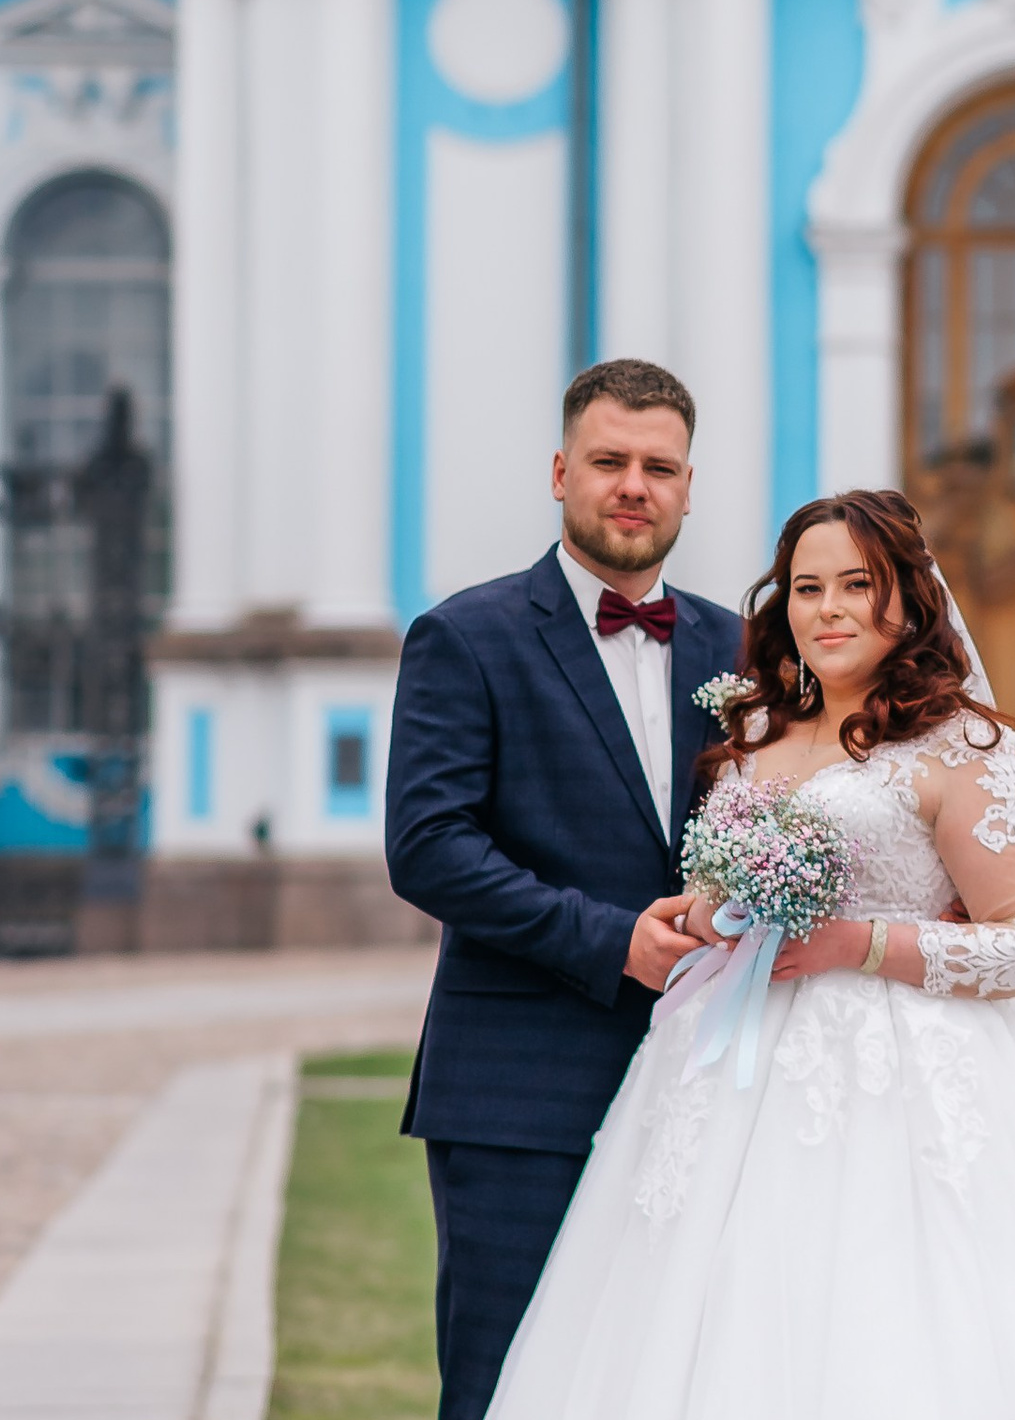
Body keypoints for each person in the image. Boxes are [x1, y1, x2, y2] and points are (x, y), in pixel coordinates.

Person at [484, 488, 1015, 1420]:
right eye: (806, 586)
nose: (826, 609)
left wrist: (856, 944)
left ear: (905, 598)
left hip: (905, 1081)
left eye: (855, 585)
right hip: (727, 1071)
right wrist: (709, 910)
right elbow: (737, 881)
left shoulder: (966, 748)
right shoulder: (755, 733)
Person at [385, 358, 743, 1420]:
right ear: (559, 471)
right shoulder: (466, 635)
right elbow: (429, 847)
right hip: (517, 1092)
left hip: (701, 1090)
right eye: (609, 461)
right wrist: (608, 939)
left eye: (659, 466)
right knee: (506, 1383)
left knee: (675, 1379)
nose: (633, 484)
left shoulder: (739, 647)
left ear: (687, 485)